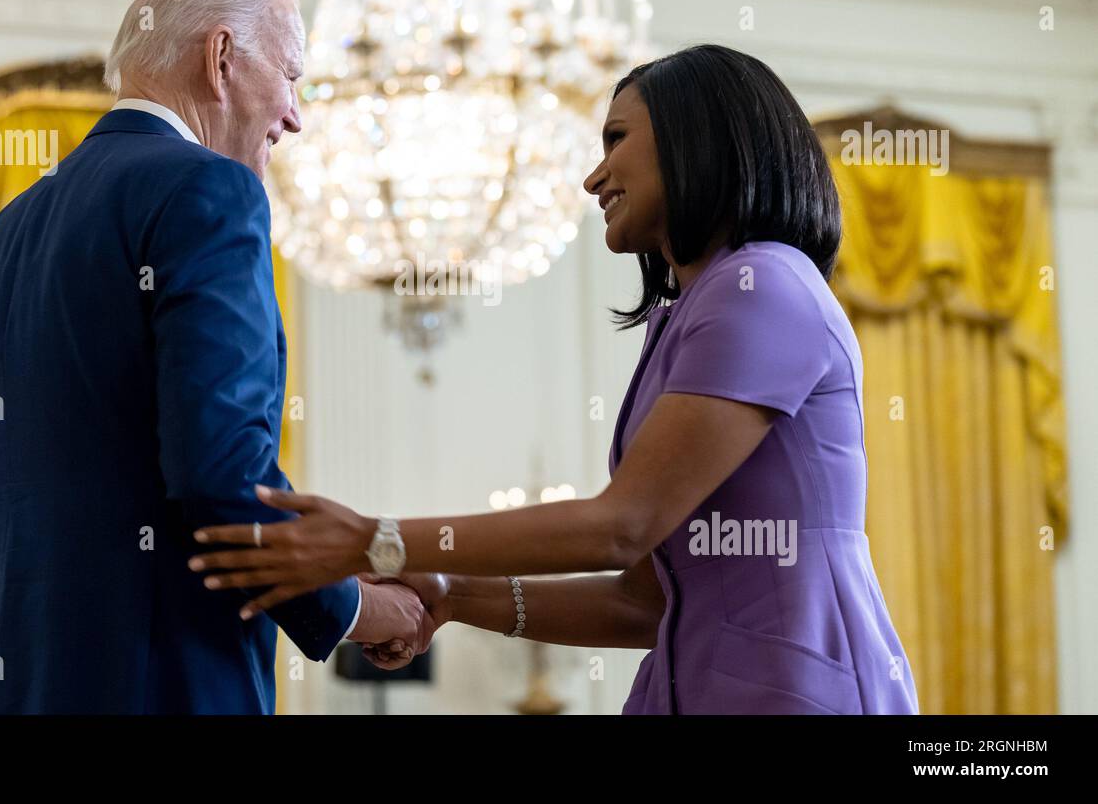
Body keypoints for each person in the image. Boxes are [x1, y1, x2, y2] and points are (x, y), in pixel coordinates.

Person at [187, 45, 922, 715]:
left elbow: (620, 526)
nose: (593, 176)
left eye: (615, 140)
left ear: (698, 139)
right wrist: (452, 595)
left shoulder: (765, 285)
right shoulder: (691, 312)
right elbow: (643, 604)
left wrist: (378, 541)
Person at [0, 0, 425, 714]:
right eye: (291, 77)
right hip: (153, 679)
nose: (295, 115)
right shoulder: (208, 188)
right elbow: (218, 471)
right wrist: (355, 609)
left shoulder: (7, 229)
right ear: (222, 56)